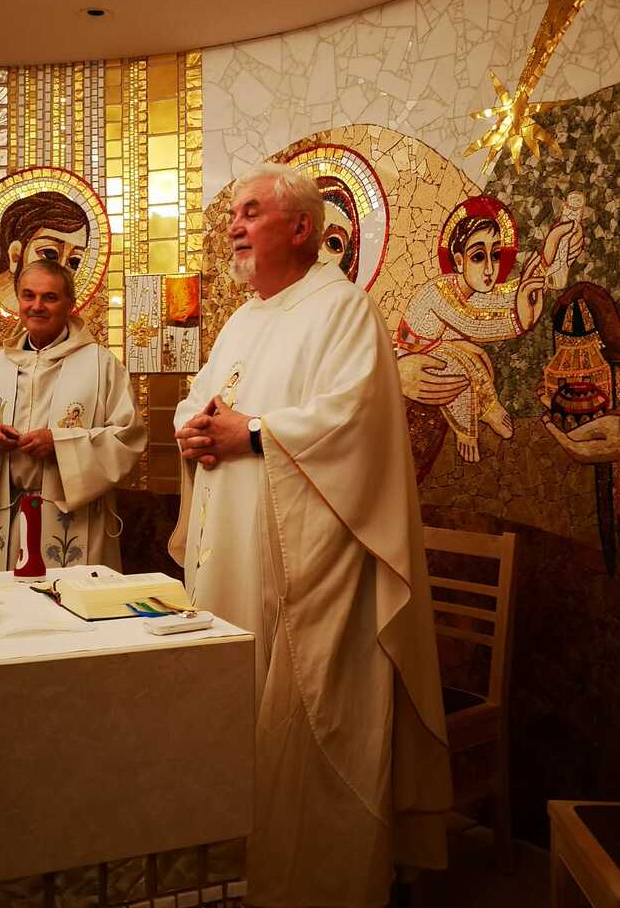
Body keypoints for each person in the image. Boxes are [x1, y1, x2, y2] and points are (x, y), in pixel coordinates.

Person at [169, 163, 451, 908]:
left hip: (312, 571)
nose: (233, 226)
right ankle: (240, 863)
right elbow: (202, 401)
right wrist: (192, 430)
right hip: (233, 553)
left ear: (301, 227)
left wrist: (254, 432)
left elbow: (354, 423)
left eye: (250, 212)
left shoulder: (341, 310)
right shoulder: (244, 318)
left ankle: (317, 880)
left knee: (304, 712)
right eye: (234, 214)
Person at [0, 260, 146, 572]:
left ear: (70, 304)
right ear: (17, 300)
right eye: (28, 296)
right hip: (8, 516)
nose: (37, 306)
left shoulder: (101, 365)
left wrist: (59, 444)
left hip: (75, 520)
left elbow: (128, 437)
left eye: (50, 297)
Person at [396, 195, 581, 463]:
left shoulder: (465, 288)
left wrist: (550, 252)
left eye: (495, 255)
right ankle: (467, 431)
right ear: (459, 260)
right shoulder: (439, 293)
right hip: (419, 355)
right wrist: (522, 315)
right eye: (478, 257)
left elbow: (508, 293)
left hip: (442, 344)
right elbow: (477, 324)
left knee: (476, 357)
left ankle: (488, 407)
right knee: (459, 365)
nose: (490, 269)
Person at [0, 191, 90, 315]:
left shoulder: (68, 317)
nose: (60, 270)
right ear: (15, 254)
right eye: (49, 254)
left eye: (74, 262)